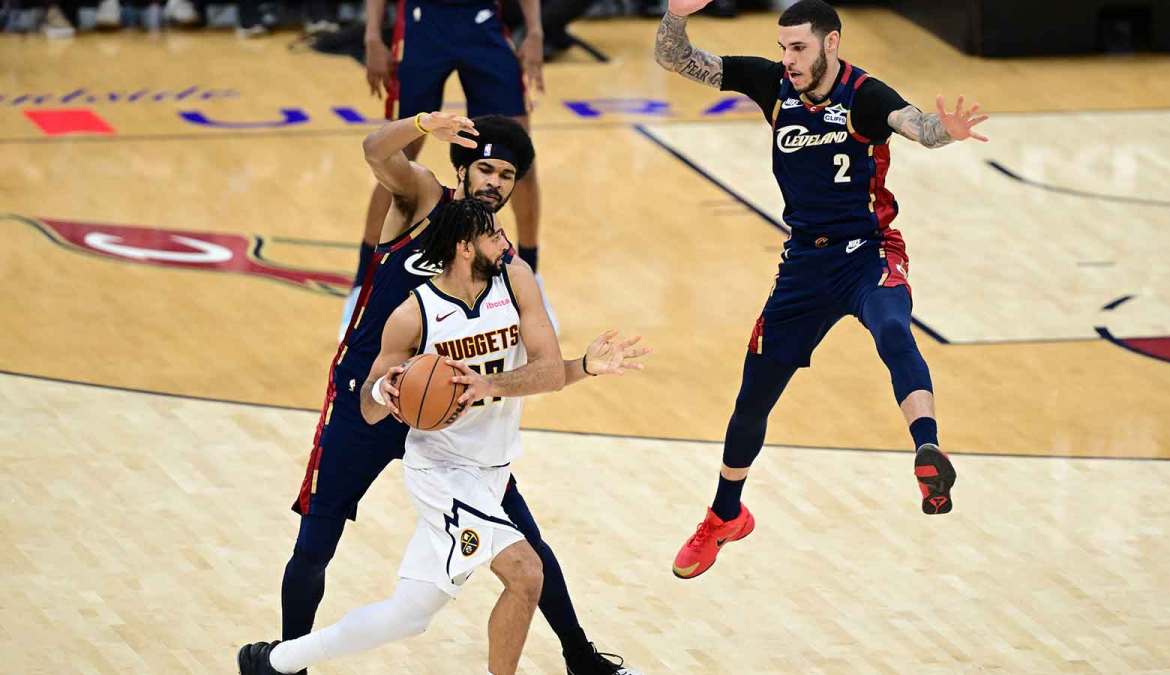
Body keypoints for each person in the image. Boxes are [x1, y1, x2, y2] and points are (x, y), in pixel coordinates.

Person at [277, 112, 642, 674]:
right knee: (318, 535)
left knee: (526, 544)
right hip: (373, 389)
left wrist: (560, 371)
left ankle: (581, 656)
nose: (495, 182)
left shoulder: (504, 261)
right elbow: (376, 151)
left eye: (507, 175)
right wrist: (423, 122)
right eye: (487, 169)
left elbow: (545, 366)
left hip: (450, 409)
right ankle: (286, 661)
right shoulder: (423, 199)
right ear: (464, 169)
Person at [654, 0, 989, 579]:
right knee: (753, 394)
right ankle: (724, 515)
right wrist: (675, 15)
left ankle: (927, 451)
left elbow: (919, 127)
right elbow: (674, 58)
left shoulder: (865, 95)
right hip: (803, 266)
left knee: (892, 327)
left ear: (831, 43)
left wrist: (945, 131)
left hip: (867, 253)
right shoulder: (771, 83)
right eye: (783, 47)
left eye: (799, 48)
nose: (788, 59)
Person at [340, 0, 552, 338]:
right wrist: (372, 35)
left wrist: (536, 30)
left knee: (517, 156)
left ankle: (531, 274)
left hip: (482, 22)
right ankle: (362, 284)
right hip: (423, 22)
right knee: (397, 160)